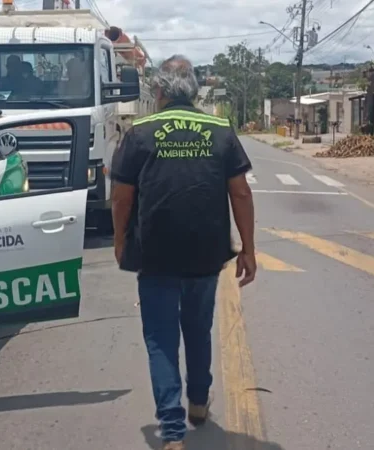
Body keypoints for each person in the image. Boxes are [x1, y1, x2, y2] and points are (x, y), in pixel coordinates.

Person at [110, 55, 257, 450]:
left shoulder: (139, 131)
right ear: (193, 90)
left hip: (155, 252)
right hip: (206, 253)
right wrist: (248, 248)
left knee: (160, 338)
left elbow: (122, 197)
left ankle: (172, 432)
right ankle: (197, 403)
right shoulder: (220, 129)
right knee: (197, 328)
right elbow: (240, 192)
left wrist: (120, 240)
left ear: (157, 91)